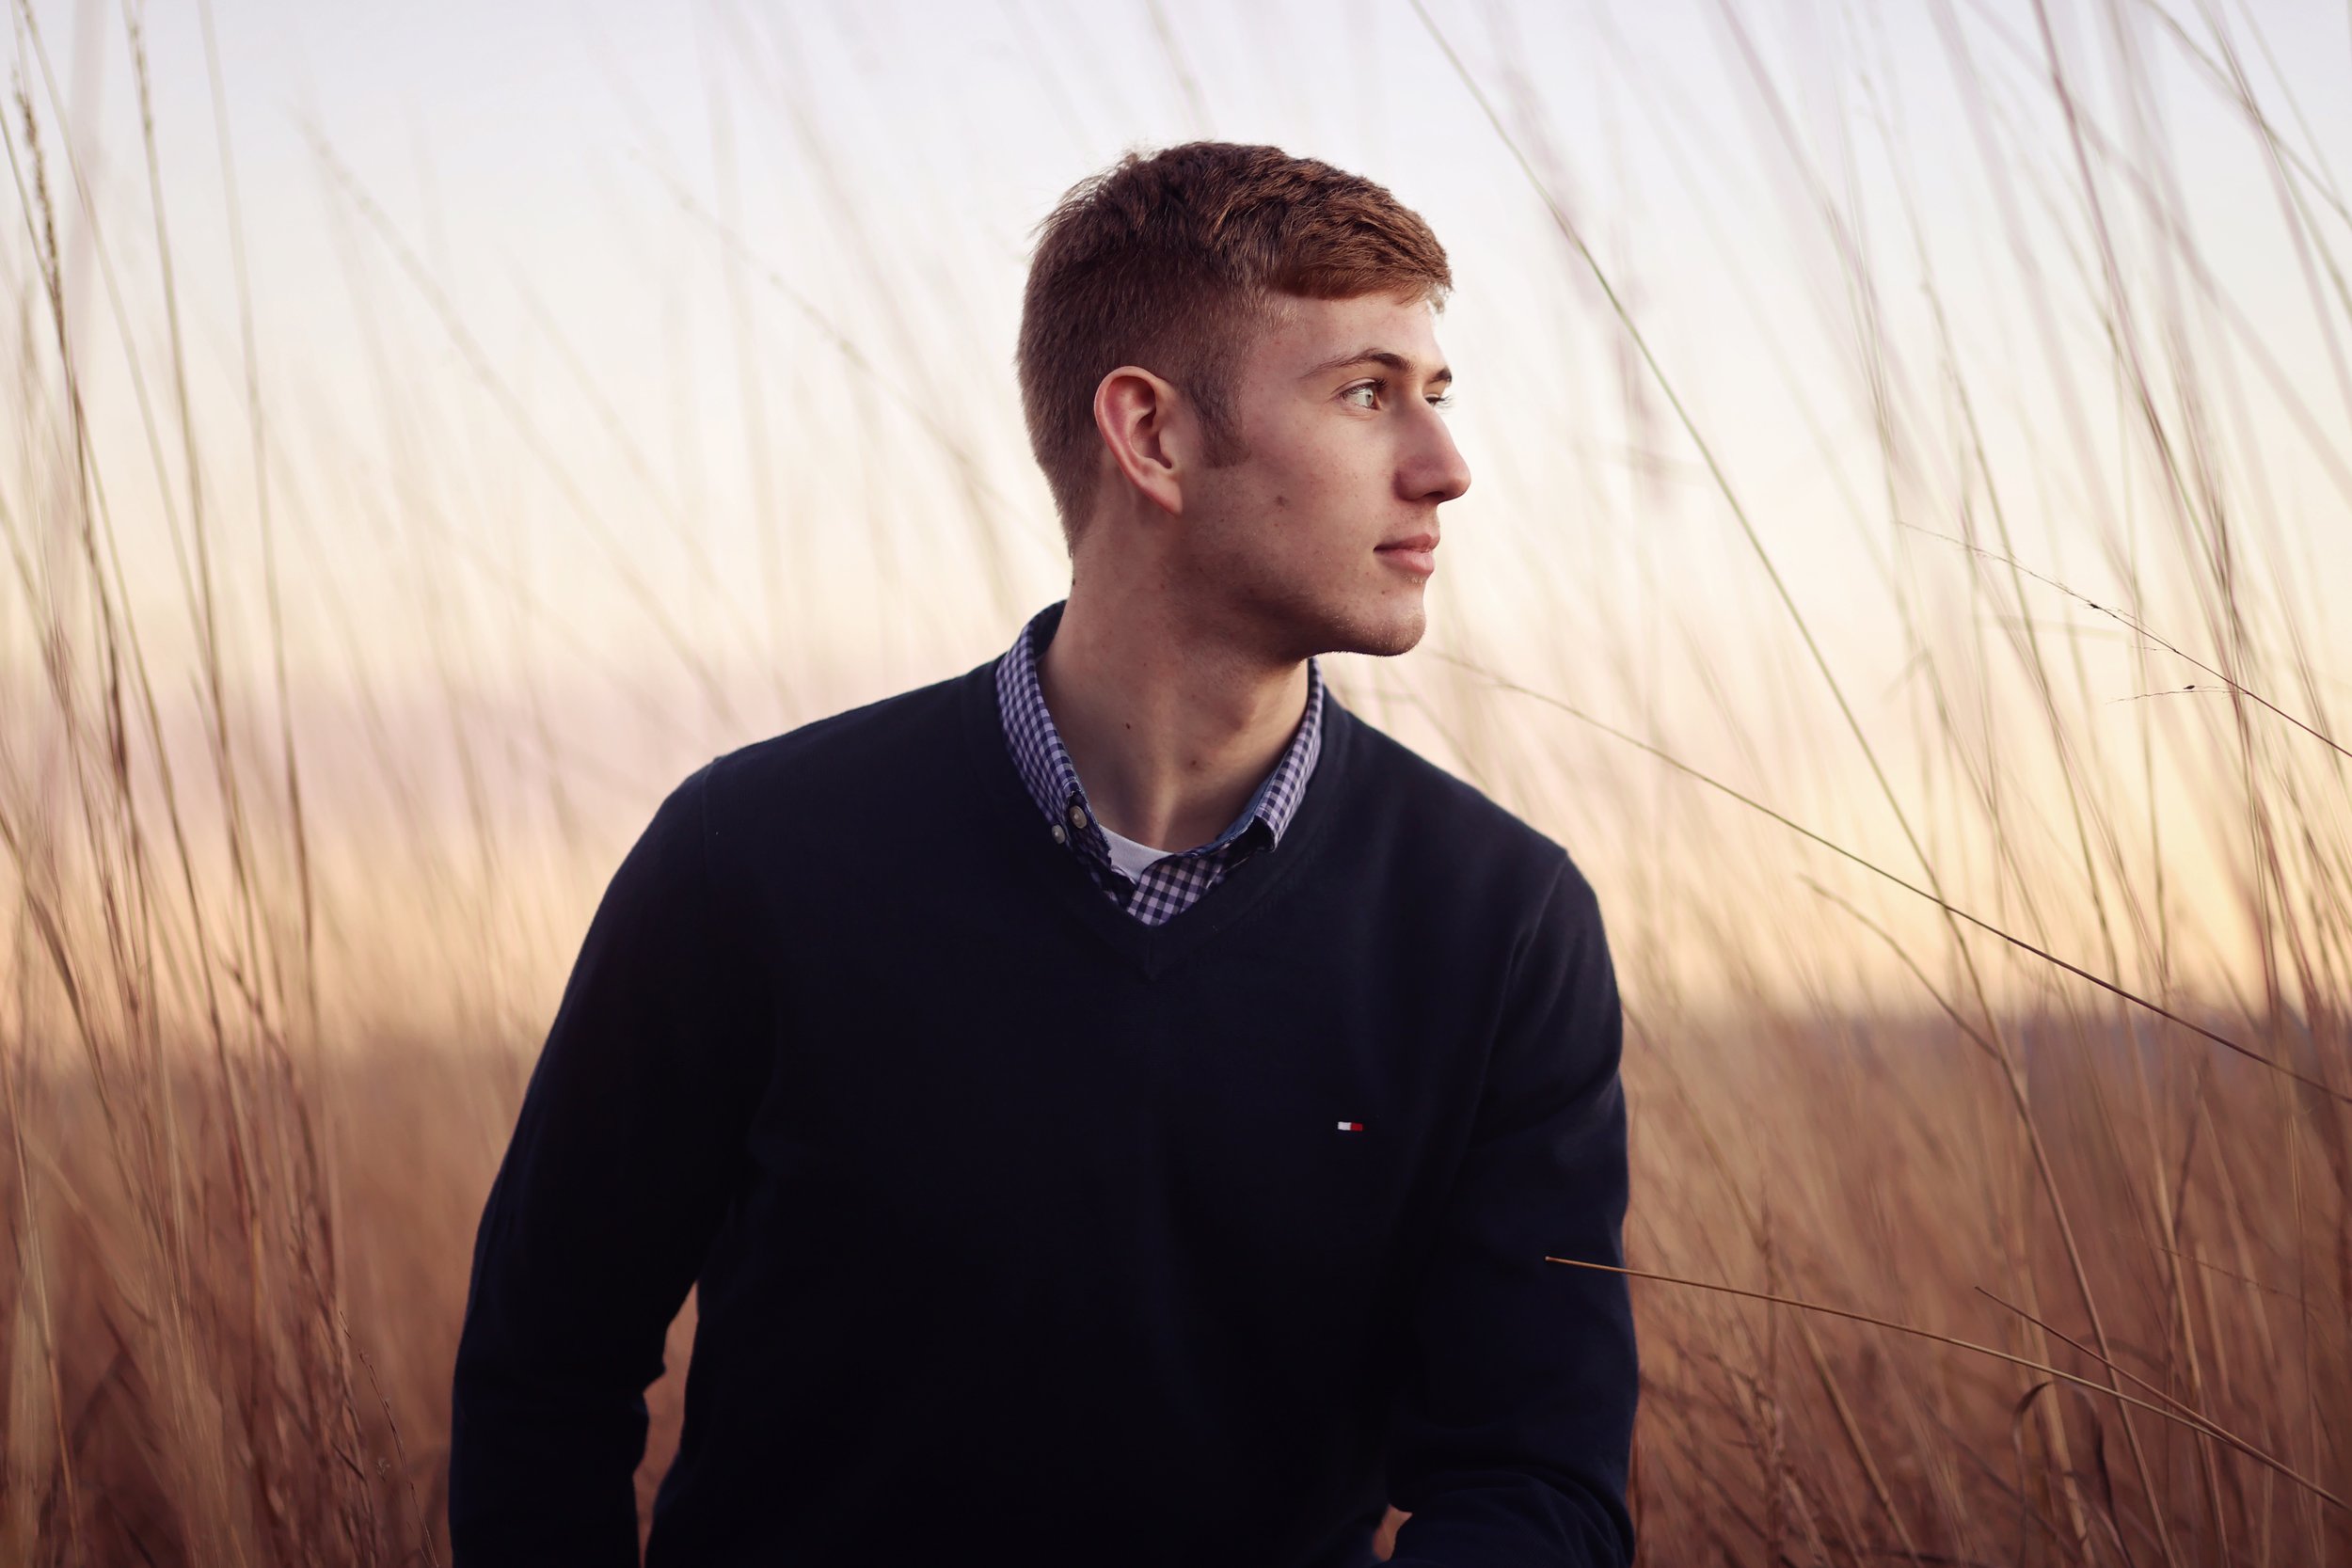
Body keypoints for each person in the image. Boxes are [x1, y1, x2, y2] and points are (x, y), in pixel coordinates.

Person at [449, 139, 1637, 1568]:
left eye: (1435, 396)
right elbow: (544, 1376)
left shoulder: (1497, 923)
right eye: (1367, 394)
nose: (1446, 468)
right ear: (1152, 435)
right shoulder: (754, 861)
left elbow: (1540, 1481)